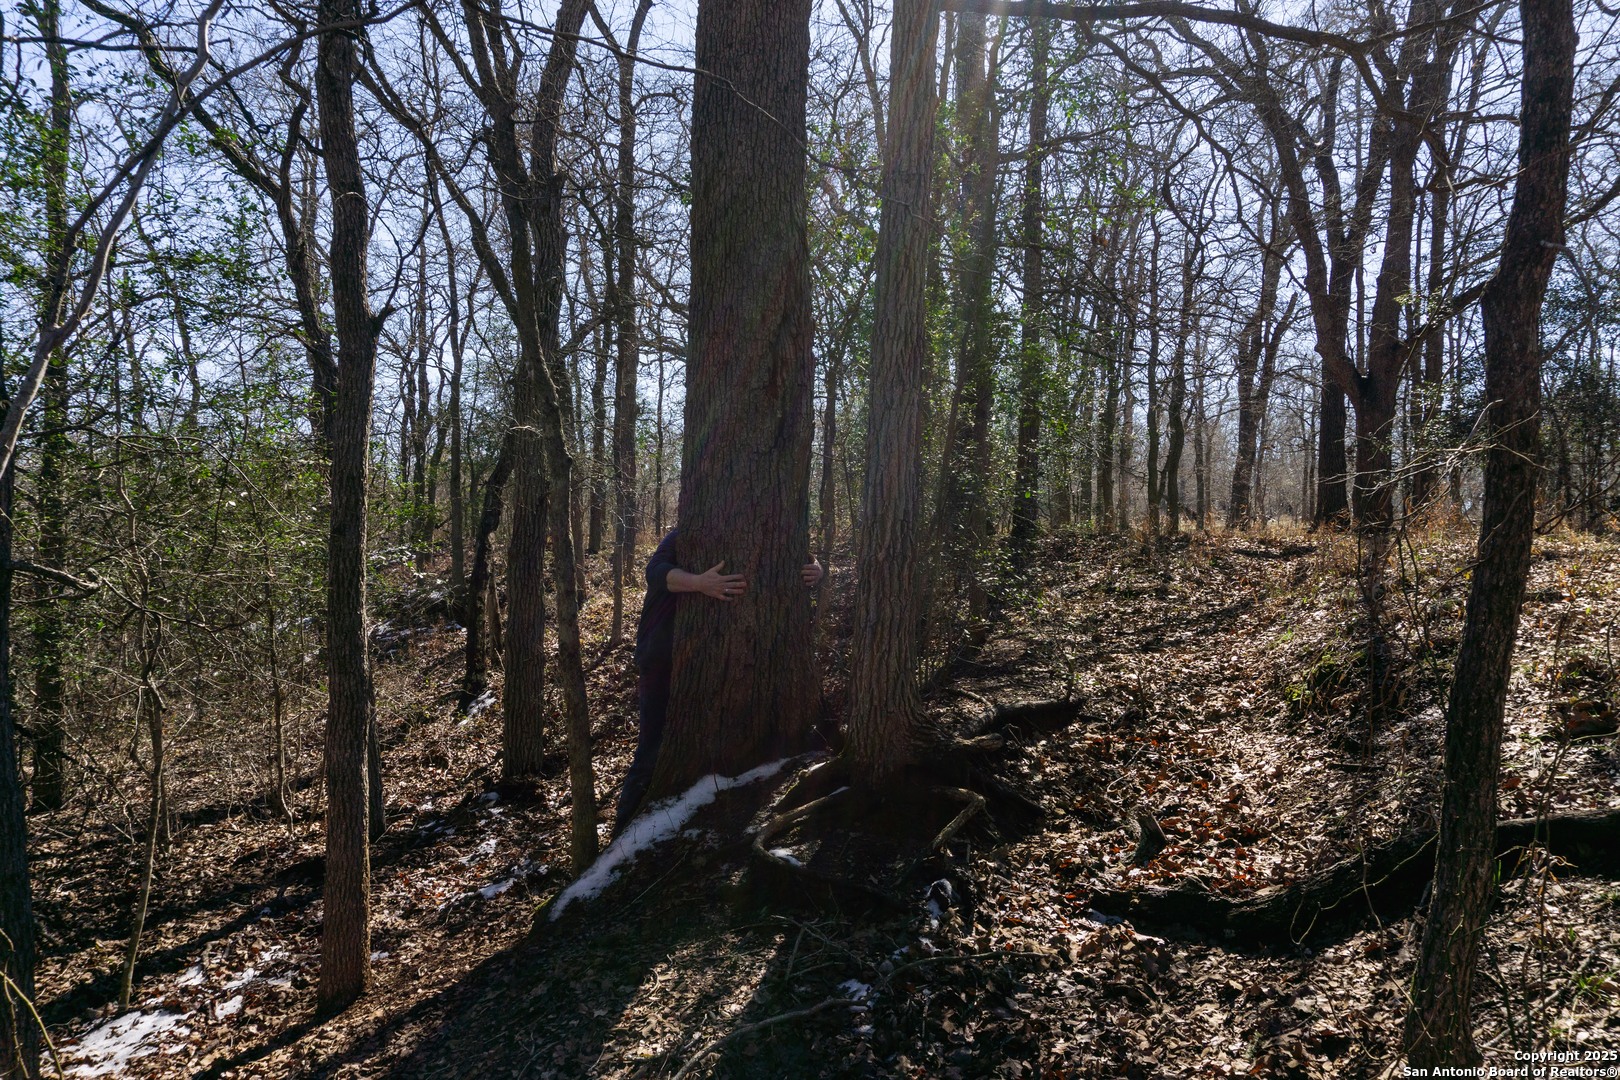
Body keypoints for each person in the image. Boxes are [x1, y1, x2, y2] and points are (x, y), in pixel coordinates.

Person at [614, 528, 823, 833]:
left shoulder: (770, 531)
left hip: (700, 662)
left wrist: (818, 568)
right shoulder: (680, 538)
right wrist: (700, 583)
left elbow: (806, 560)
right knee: (652, 748)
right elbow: (655, 572)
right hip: (660, 658)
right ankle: (622, 836)